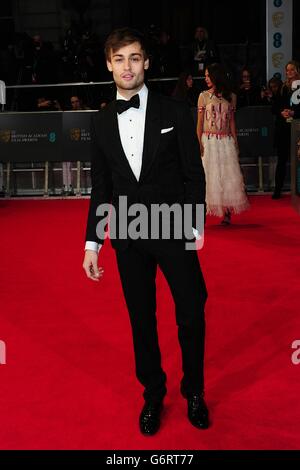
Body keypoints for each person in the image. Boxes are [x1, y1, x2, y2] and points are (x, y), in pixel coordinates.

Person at [82, 27, 209, 435]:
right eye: (119, 59)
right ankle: (153, 393)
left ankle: (193, 391)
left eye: (134, 58)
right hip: (126, 232)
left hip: (173, 226)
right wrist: (92, 243)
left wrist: (192, 226)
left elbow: (194, 175)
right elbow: (100, 186)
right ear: (108, 64)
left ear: (146, 62)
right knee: (142, 318)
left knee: (191, 312)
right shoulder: (100, 122)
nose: (127, 66)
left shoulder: (175, 111)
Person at [197, 63, 249, 224]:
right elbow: (199, 123)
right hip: (209, 141)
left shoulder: (231, 96)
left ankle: (227, 212)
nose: (206, 79)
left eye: (208, 75)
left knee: (227, 176)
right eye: (205, 76)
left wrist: (235, 141)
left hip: (225, 141)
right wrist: (198, 142)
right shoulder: (203, 96)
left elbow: (232, 122)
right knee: (208, 175)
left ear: (215, 76)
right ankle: (203, 211)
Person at [270, 60, 300, 199]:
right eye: (287, 70)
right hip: (284, 129)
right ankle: (278, 189)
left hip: (297, 128)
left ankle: (298, 189)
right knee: (282, 159)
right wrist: (282, 112)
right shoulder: (283, 88)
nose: (289, 73)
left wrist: (294, 113)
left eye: (292, 70)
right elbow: (274, 107)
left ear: (297, 71)